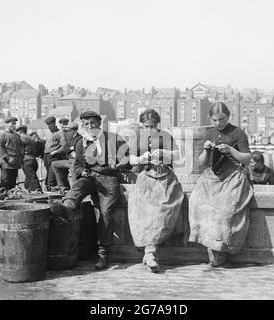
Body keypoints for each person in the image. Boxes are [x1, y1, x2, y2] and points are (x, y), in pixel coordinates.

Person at [50, 111, 130, 270]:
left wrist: (120, 164)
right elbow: (77, 166)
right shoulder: (81, 142)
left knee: (106, 212)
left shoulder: (113, 138)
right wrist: (83, 172)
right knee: (77, 188)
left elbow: (128, 157)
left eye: (93, 123)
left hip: (109, 178)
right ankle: (65, 208)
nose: (90, 126)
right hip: (90, 176)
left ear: (99, 123)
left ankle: (103, 254)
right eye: (86, 124)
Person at [188, 102, 254, 268]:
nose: (218, 123)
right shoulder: (209, 133)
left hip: (232, 177)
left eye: (222, 119)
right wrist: (205, 150)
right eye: (215, 119)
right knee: (197, 203)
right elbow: (202, 163)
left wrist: (230, 150)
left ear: (228, 116)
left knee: (224, 211)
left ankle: (220, 251)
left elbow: (246, 159)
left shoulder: (238, 133)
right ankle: (213, 249)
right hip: (212, 177)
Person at [128, 109, 184, 272]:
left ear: (157, 125)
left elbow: (178, 155)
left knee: (160, 208)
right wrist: (141, 158)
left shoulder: (165, 136)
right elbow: (131, 159)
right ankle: (149, 253)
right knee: (141, 207)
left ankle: (149, 253)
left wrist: (164, 152)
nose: (149, 129)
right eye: (146, 126)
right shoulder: (138, 138)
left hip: (165, 178)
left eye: (153, 126)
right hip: (146, 177)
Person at [0, 117, 23, 192]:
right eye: (12, 124)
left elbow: (20, 149)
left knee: (12, 184)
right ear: (6, 124)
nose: (14, 125)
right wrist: (8, 158)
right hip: (6, 163)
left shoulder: (17, 136)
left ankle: (9, 198)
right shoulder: (2, 135)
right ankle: (1, 197)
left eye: (15, 124)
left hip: (15, 164)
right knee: (5, 182)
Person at [51, 122, 82, 189]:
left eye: (70, 130)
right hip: (69, 160)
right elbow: (66, 148)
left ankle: (76, 189)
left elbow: (75, 149)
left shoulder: (80, 138)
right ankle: (61, 186)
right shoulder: (69, 138)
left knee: (75, 181)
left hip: (75, 161)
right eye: (67, 131)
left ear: (75, 130)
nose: (68, 132)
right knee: (54, 164)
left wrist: (70, 149)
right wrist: (70, 149)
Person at [43, 116, 68, 191]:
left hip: (54, 156)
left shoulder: (60, 133)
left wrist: (56, 151)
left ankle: (53, 189)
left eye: (50, 124)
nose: (48, 126)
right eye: (47, 124)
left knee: (52, 176)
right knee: (48, 174)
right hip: (46, 156)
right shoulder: (48, 133)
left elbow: (64, 146)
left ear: (54, 123)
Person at [15, 125, 42, 192]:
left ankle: (37, 191)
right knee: (30, 178)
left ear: (20, 131)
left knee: (32, 179)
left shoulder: (22, 138)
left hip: (27, 161)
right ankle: (30, 188)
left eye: (17, 132)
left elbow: (19, 150)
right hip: (33, 160)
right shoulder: (31, 138)